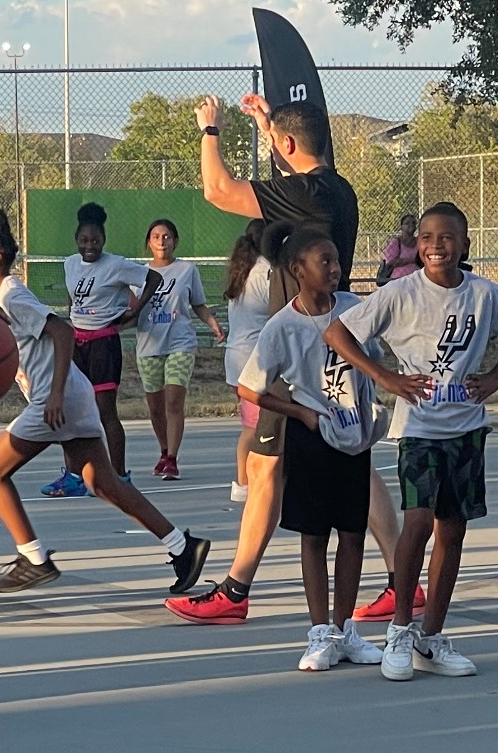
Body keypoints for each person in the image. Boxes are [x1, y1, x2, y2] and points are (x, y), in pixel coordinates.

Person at [177, 93, 421, 625]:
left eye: (278, 144)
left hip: (303, 350)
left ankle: (237, 590)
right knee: (354, 461)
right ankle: (404, 578)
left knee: (267, 471)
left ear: (288, 147)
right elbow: (298, 159)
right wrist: (268, 125)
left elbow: (217, 190)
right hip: (337, 341)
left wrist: (210, 130)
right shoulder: (337, 189)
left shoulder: (305, 194)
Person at [325, 201, 498, 681]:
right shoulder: (400, 293)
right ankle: (400, 629)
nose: (437, 245)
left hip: (467, 427)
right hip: (419, 429)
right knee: (416, 524)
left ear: (465, 245)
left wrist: (497, 375)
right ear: (416, 247)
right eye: (427, 237)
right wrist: (385, 378)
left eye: (447, 236)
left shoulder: (484, 294)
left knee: (452, 531)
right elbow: (338, 332)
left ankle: (431, 637)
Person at [0, 208, 211, 594]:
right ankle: (183, 547)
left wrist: (56, 393)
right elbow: (9, 356)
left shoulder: (12, 294)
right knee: (104, 483)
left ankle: (33, 558)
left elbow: (62, 332)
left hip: (55, 399)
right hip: (71, 396)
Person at [233, 223, 388, 670]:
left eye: (338, 261)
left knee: (353, 533)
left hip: (354, 432)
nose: (336, 269)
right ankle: (319, 630)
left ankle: (345, 629)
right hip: (312, 434)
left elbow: (375, 357)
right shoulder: (283, 326)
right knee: (315, 535)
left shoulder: (355, 309)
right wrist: (300, 412)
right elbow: (250, 388)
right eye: (325, 262)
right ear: (298, 270)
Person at [40, 202, 162, 496]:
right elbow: (74, 297)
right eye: (84, 241)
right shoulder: (70, 263)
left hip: (103, 344)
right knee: (71, 410)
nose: (89, 246)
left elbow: (154, 278)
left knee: (105, 410)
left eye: (95, 241)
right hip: (76, 344)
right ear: (76, 241)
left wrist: (134, 312)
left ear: (103, 240)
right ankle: (73, 476)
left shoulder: (116, 264)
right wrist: (72, 318)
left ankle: (119, 477)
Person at [136, 218, 223, 481]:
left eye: (167, 236)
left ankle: (172, 458)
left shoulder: (187, 270)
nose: (162, 241)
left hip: (180, 343)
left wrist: (213, 324)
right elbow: (129, 306)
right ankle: (163, 451)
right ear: (149, 243)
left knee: (173, 401)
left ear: (175, 241)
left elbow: (198, 304)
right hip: (149, 344)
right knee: (155, 407)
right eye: (156, 237)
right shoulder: (137, 274)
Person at [220, 218, 271, 503]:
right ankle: (244, 482)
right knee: (255, 427)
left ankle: (246, 481)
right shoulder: (266, 271)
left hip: (236, 355)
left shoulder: (242, 270)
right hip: (255, 357)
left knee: (251, 424)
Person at [376, 212, 420, 284]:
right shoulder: (396, 243)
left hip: (416, 280)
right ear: (401, 227)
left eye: (413, 223)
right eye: (407, 223)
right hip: (398, 280)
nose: (411, 225)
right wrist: (413, 260)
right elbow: (390, 262)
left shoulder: (419, 242)